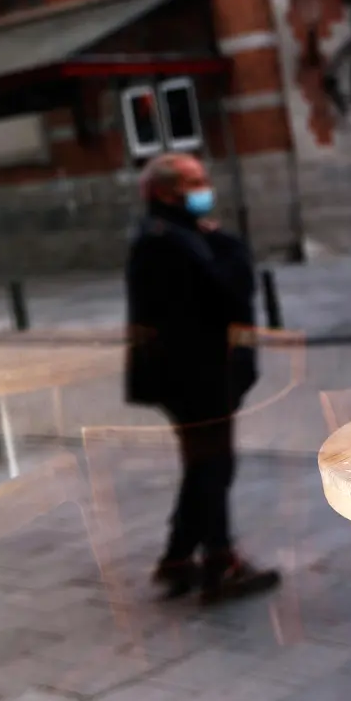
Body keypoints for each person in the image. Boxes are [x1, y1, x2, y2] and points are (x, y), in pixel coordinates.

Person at [124, 153, 279, 604]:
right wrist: (230, 246)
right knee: (213, 464)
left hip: (194, 373)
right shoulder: (167, 240)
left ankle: (177, 558)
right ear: (165, 192)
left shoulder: (173, 234)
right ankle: (220, 561)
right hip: (195, 376)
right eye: (193, 182)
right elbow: (228, 292)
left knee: (204, 464)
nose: (203, 188)